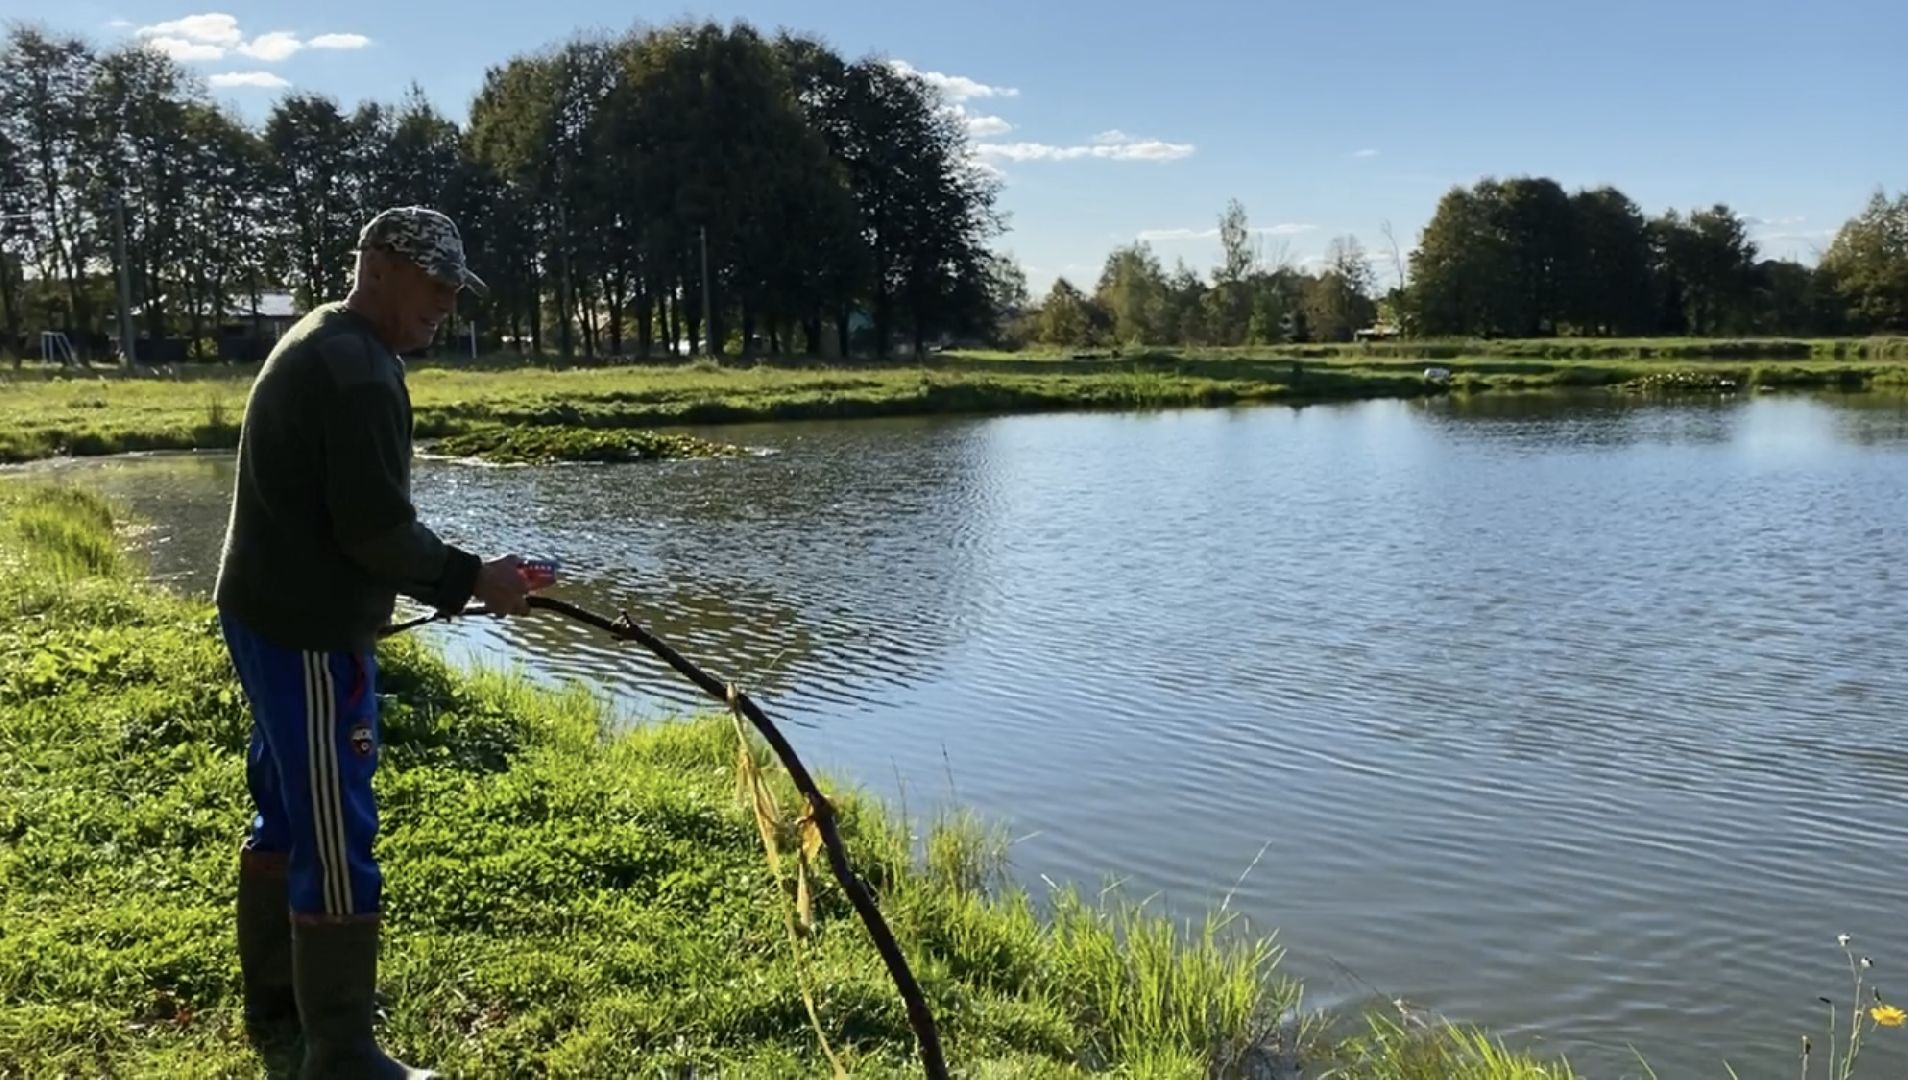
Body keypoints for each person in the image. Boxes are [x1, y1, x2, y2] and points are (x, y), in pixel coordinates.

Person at [213, 206, 532, 1078]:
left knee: (286, 802)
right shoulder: (356, 368)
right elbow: (375, 531)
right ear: (380, 266)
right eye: (433, 285)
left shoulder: (327, 336)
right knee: (335, 828)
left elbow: (352, 524)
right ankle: (344, 1052)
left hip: (263, 611)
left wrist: (457, 575)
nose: (445, 305)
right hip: (307, 634)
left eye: (454, 291)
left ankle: (281, 999)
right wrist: (475, 578)